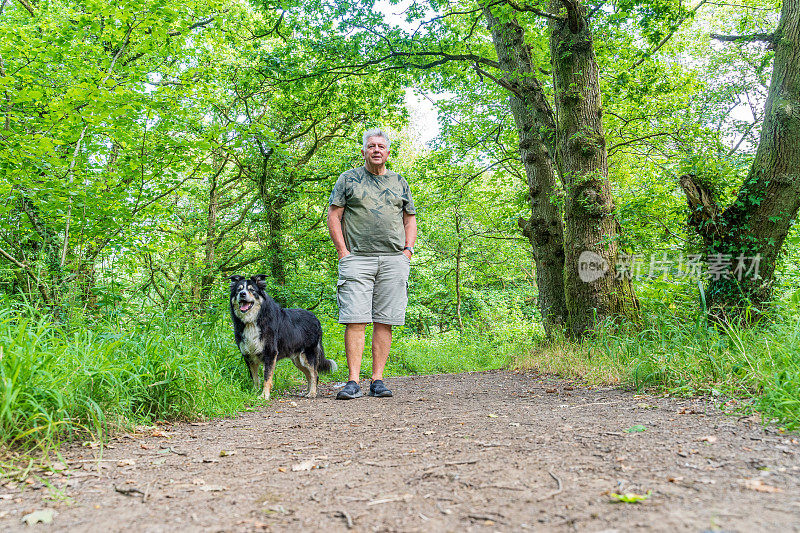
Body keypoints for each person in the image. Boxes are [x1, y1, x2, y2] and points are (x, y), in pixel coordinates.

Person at [327, 129, 417, 399]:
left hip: (393, 260)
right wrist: (343, 251)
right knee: (355, 319)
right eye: (371, 146)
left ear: (388, 152)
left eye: (381, 146)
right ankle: (353, 381)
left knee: (384, 320)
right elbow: (334, 216)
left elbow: (409, 218)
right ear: (364, 151)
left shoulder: (399, 181)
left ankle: (377, 380)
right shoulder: (348, 179)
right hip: (357, 259)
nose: (376, 150)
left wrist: (408, 251)